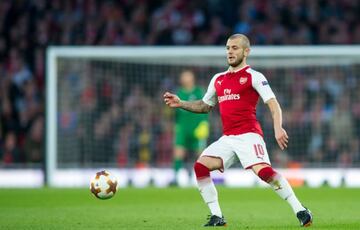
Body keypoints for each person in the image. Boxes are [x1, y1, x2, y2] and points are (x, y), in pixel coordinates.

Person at [163, 34, 313, 227]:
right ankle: (217, 216)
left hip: (249, 135)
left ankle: (301, 210)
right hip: (228, 138)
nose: (230, 52)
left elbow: (273, 104)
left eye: (235, 48)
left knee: (265, 173)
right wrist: (181, 103)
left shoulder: (254, 76)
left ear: (246, 51)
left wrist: (278, 128)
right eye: (228, 48)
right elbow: (204, 106)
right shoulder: (218, 79)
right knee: (200, 166)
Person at [173, 70, 209, 183]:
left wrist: (204, 124)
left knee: (201, 154)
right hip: (183, 129)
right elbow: (175, 113)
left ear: (192, 79)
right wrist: (177, 125)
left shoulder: (199, 92)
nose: (184, 79)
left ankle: (203, 178)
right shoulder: (179, 93)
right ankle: (175, 177)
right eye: (183, 77)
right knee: (178, 152)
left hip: (197, 129)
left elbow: (206, 107)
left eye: (187, 77)